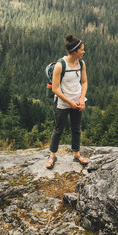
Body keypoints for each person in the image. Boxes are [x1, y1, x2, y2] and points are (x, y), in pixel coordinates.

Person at [46, 33, 88, 169]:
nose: (83, 52)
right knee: (59, 129)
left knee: (76, 129)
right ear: (75, 51)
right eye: (82, 49)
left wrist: (82, 99)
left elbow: (85, 81)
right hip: (63, 103)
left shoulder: (81, 63)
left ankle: (77, 154)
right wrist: (70, 102)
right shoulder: (60, 65)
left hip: (77, 101)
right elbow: (55, 89)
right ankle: (52, 155)